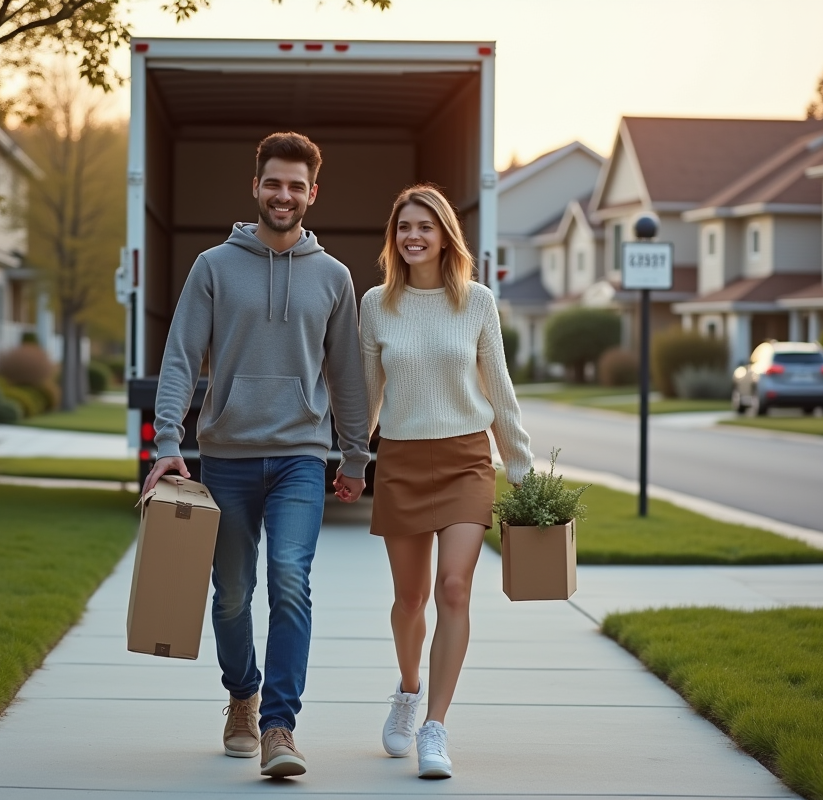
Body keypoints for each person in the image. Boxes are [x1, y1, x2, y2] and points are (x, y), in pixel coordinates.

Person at [142, 131, 370, 779]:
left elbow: (348, 374)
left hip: (301, 456)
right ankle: (241, 695)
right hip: (230, 459)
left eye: (297, 185)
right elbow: (181, 358)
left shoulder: (333, 276)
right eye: (274, 182)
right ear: (256, 187)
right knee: (232, 595)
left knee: (290, 583)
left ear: (313, 194)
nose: (284, 194)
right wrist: (166, 442)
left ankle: (279, 726)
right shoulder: (215, 266)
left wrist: (354, 456)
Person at [359, 184, 532, 779]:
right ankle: (408, 691)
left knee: (453, 589)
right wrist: (355, 460)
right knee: (410, 601)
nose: (413, 236)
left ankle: (435, 725)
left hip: (465, 459)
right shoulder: (376, 305)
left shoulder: (477, 303)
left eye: (424, 227)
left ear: (444, 236)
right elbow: (366, 395)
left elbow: (500, 393)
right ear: (394, 237)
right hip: (403, 461)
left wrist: (523, 471)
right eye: (404, 227)